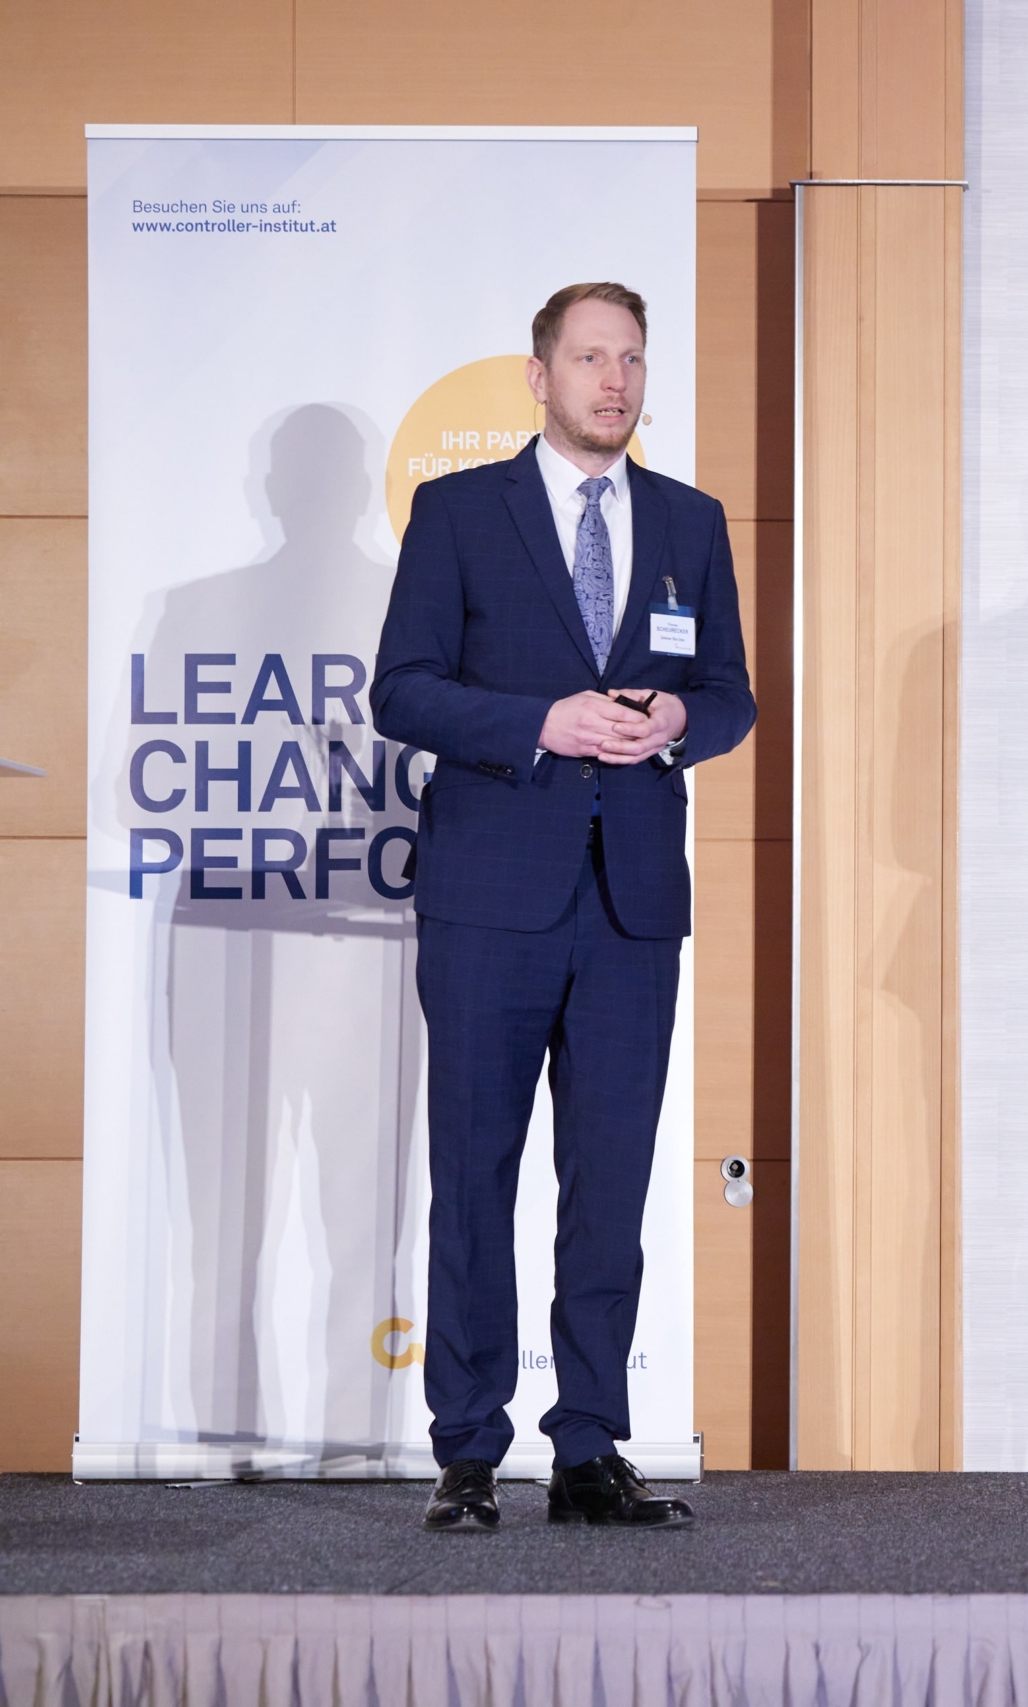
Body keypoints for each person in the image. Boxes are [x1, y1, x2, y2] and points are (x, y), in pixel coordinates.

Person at [373, 282, 754, 1532]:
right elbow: (403, 690)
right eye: (590, 357)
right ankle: (467, 1452)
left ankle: (589, 1445)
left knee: (611, 1185)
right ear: (539, 377)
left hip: (631, 906)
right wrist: (539, 720)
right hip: (489, 897)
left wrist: (682, 718)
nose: (615, 381)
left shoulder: (691, 521)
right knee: (473, 1175)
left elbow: (732, 694)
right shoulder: (460, 513)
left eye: (631, 358)